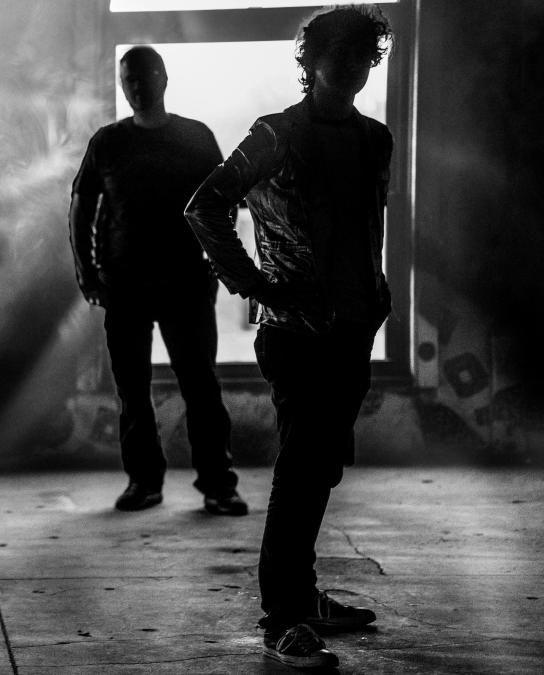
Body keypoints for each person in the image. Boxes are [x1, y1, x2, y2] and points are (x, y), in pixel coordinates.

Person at [185, 5, 393, 669]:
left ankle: (301, 594)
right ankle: (284, 616)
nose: (353, 66)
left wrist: (376, 297)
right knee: (303, 469)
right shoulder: (276, 134)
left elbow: (365, 228)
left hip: (353, 329)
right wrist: (252, 282)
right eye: (340, 54)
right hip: (297, 334)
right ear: (311, 63)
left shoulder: (374, 139)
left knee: (321, 467)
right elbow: (204, 206)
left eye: (363, 55)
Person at [68, 46, 247, 516]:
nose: (136, 87)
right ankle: (144, 481)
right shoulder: (107, 142)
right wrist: (88, 272)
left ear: (163, 78)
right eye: (128, 79)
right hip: (124, 285)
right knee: (132, 389)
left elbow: (223, 199)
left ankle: (217, 484)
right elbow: (81, 207)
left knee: (201, 386)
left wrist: (217, 259)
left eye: (144, 77)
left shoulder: (195, 137)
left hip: (186, 281)